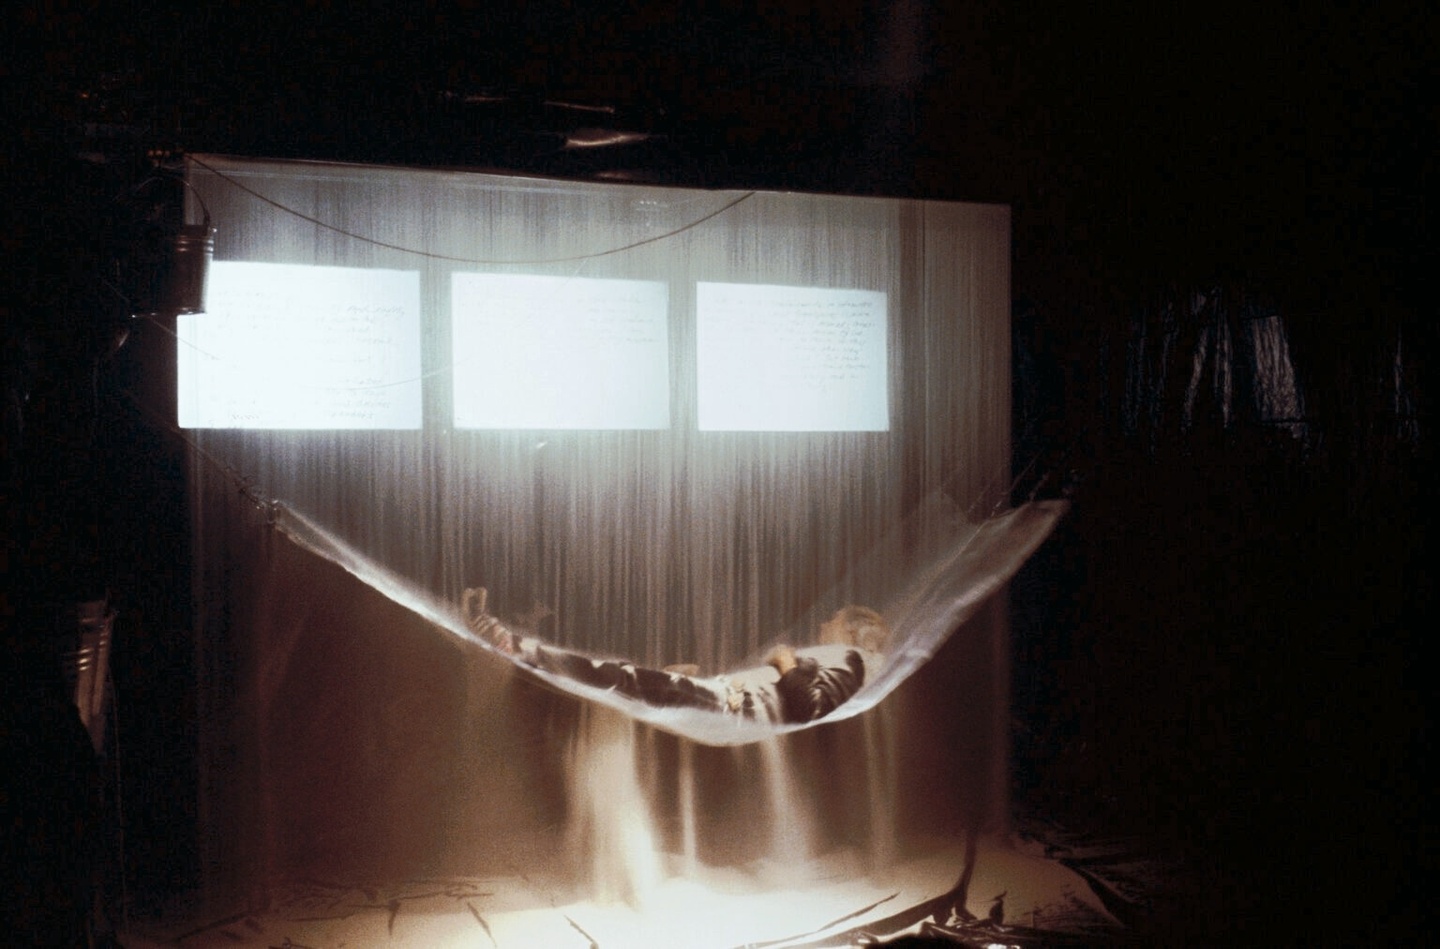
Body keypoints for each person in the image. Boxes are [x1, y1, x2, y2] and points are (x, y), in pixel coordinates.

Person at [463, 588, 890, 725]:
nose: (821, 628)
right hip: (729, 699)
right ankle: (514, 647)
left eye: (831, 622)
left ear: (852, 630)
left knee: (620, 679)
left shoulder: (851, 658)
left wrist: (786, 662)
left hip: (734, 705)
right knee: (624, 685)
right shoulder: (846, 657)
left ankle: (510, 644)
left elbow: (808, 708)